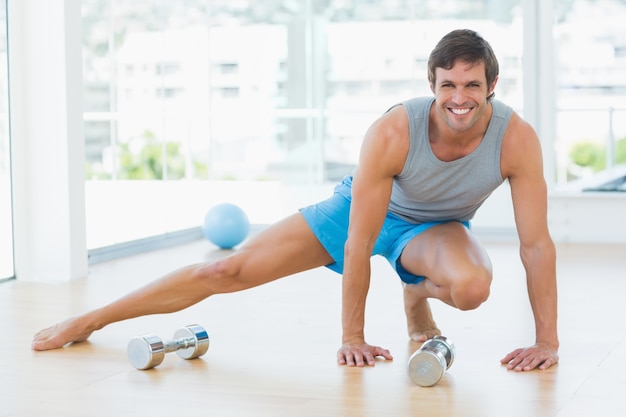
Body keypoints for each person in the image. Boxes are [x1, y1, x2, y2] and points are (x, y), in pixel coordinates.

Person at [32, 29, 559, 372]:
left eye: (472, 85)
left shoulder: (516, 140)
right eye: (448, 85)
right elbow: (359, 239)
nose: (459, 98)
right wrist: (353, 335)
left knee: (471, 289)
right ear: (432, 83)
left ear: (492, 85)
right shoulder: (395, 130)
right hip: (359, 213)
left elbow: (536, 246)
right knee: (227, 272)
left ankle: (415, 297)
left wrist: (547, 343)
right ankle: (91, 320)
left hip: (434, 229)